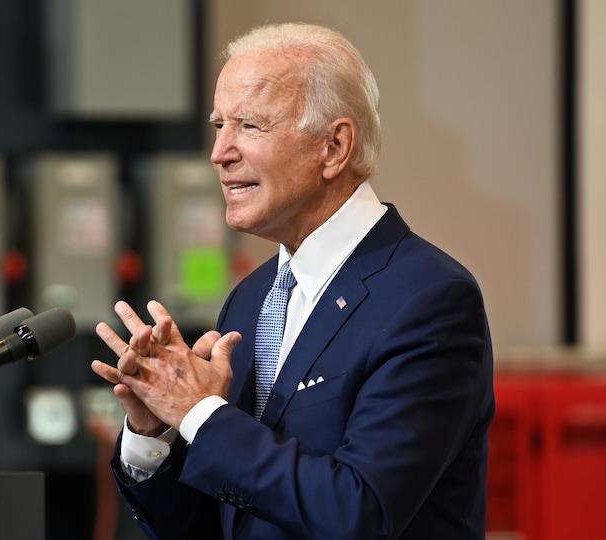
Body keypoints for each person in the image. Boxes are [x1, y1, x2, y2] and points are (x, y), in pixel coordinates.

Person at [90, 22, 495, 540]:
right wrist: (159, 434)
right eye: (219, 125)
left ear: (334, 146)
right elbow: (222, 521)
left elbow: (359, 511)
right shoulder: (251, 297)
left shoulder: (429, 299)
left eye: (249, 126)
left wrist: (202, 414)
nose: (220, 152)